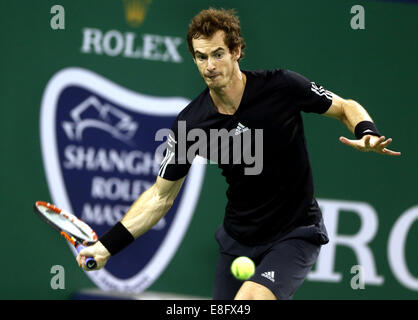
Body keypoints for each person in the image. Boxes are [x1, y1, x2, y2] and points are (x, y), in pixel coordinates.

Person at [76, 8, 401, 300]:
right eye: (201, 57)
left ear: (237, 51)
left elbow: (345, 107)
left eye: (218, 54)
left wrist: (366, 131)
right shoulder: (193, 124)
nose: (210, 65)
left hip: (295, 232)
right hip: (238, 240)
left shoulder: (282, 86)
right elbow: (160, 198)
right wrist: (107, 246)